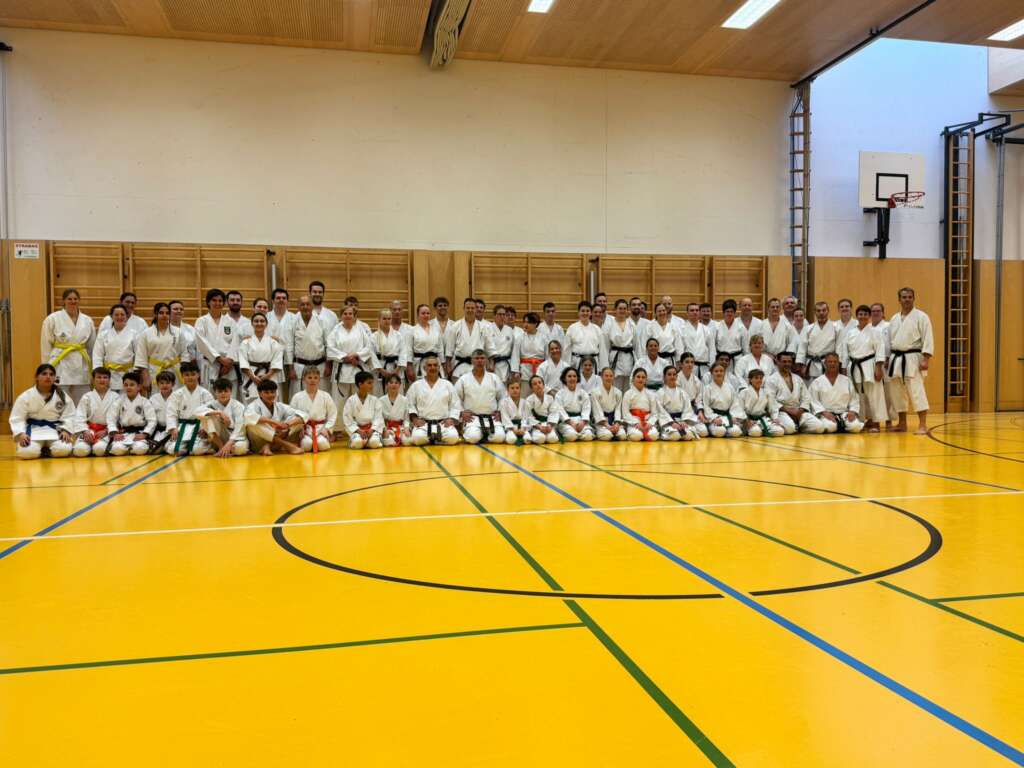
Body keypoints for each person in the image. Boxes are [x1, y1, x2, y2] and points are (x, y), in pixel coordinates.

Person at [887, 287, 934, 435]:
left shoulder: (921, 317)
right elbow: (889, 341)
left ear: (914, 298)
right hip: (896, 358)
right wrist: (888, 358)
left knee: (916, 390)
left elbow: (928, 338)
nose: (907, 299)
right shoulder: (894, 318)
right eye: (904, 297)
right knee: (897, 392)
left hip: (913, 358)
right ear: (899, 299)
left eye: (909, 297)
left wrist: (926, 359)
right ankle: (902, 423)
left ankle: (923, 424)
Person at [10, 364, 75, 459]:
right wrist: (21, 433)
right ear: (36, 377)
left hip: (55, 429)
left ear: (54, 378)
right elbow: (17, 417)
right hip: (34, 430)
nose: (48, 377)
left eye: (51, 374)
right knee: (26, 452)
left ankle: (47, 450)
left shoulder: (61, 396)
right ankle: (42, 450)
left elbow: (69, 415)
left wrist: (65, 430)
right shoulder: (26, 396)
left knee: (63, 450)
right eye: (44, 374)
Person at [41, 288, 95, 402]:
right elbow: (46, 345)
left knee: (82, 397)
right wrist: (46, 367)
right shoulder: (52, 319)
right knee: (59, 396)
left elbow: (91, 346)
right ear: (63, 301)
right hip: (60, 362)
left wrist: (93, 366)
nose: (73, 301)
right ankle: (60, 419)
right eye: (69, 299)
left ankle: (80, 419)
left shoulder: (87, 320)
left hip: (81, 362)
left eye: (75, 299)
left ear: (79, 300)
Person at [843, 304, 887, 433]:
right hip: (854, 366)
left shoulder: (875, 332)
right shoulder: (851, 332)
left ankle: (876, 422)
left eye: (865, 314)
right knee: (858, 396)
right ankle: (861, 420)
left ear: (869, 316)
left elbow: (880, 350)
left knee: (874, 395)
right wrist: (844, 367)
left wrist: (879, 368)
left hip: (869, 366)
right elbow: (845, 351)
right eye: (860, 314)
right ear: (857, 316)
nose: (862, 316)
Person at [327, 305, 376, 407]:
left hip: (357, 368)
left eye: (350, 314)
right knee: (339, 402)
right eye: (345, 313)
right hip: (341, 370)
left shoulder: (360, 329)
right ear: (341, 316)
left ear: (354, 316)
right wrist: (345, 357)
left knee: (358, 401)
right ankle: (339, 422)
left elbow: (369, 347)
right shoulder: (335, 330)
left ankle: (359, 422)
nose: (348, 316)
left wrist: (357, 355)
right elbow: (330, 348)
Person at [406, 356, 461, 445]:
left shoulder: (447, 384)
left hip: (443, 424)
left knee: (453, 438)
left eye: (435, 365)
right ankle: (436, 439)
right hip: (424, 424)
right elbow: (409, 404)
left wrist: (451, 419)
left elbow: (455, 404)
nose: (432, 368)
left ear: (439, 368)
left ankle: (433, 438)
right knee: (417, 438)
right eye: (429, 365)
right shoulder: (416, 385)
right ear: (424, 368)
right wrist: (415, 419)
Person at [195, 289, 242, 393]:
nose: (217, 303)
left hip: (228, 366)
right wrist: (219, 359)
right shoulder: (202, 321)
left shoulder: (230, 321)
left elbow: (235, 343)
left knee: (230, 395)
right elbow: (202, 343)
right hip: (210, 363)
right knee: (209, 396)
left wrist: (229, 362)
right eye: (214, 300)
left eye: (220, 301)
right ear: (208, 302)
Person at [455, 350, 506, 444]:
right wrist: (462, 412)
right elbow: (456, 399)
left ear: (486, 360)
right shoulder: (464, 379)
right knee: (472, 438)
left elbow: (502, 397)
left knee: (500, 437)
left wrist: (500, 411)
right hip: (473, 418)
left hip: (492, 418)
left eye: (482, 358)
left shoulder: (494, 378)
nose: (479, 361)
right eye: (477, 358)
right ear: (472, 361)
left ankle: (483, 435)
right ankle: (481, 434)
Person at [767, 352, 824, 435]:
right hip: (782, 411)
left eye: (789, 362)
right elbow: (771, 400)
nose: (787, 364)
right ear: (777, 362)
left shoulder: (797, 378)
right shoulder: (771, 380)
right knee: (790, 429)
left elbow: (806, 397)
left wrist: (800, 411)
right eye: (784, 361)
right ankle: (793, 426)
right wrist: (789, 411)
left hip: (798, 411)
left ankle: (797, 427)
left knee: (819, 427)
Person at [166, 361, 215, 455]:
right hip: (182, 428)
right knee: (174, 450)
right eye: (187, 375)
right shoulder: (177, 394)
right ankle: (185, 446)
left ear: (198, 375)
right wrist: (173, 428)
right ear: (182, 376)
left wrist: (205, 429)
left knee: (197, 450)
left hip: (200, 427)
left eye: (193, 374)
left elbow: (210, 413)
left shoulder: (205, 394)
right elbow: (171, 413)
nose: (190, 377)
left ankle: (204, 446)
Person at [136, 302, 189, 390]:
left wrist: (185, 374)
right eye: (161, 313)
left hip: (175, 370)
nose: (164, 315)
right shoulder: (146, 333)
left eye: (167, 313)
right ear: (155, 314)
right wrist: (145, 378)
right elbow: (141, 357)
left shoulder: (178, 332)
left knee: (176, 398)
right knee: (156, 398)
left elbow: (184, 355)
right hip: (154, 370)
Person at [244, 379, 305, 455]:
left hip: (277, 438)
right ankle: (287, 445)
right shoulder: (253, 406)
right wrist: (274, 422)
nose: (270, 395)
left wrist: (287, 425)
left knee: (298, 421)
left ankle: (268, 446)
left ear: (276, 393)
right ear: (259, 393)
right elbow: (248, 417)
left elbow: (304, 415)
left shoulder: (279, 406)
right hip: (259, 443)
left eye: (272, 392)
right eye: (266, 392)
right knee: (252, 423)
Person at [287, 294, 330, 400]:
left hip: (319, 364)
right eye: (302, 304)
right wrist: (291, 368)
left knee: (320, 396)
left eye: (308, 304)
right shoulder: (293, 322)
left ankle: (320, 417)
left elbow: (328, 345)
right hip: (300, 366)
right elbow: (289, 346)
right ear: (298, 307)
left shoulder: (322, 321)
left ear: (312, 306)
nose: (305, 307)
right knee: (299, 396)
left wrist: (329, 365)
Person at [810, 353, 864, 433]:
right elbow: (813, 400)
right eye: (830, 362)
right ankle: (841, 426)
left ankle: (841, 425)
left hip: (844, 414)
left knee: (856, 427)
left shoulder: (847, 381)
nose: (832, 364)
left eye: (835, 362)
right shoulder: (817, 382)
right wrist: (824, 412)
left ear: (838, 364)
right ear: (825, 364)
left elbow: (854, 399)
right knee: (830, 427)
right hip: (826, 414)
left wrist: (852, 411)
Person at [106, 371, 157, 456]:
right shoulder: (119, 401)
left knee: (140, 449)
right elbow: (111, 418)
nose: (128, 387)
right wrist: (114, 433)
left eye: (132, 385)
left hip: (139, 433)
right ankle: (128, 449)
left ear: (139, 387)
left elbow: (152, 420)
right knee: (117, 449)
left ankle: (131, 449)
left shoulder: (145, 402)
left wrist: (145, 434)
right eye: (126, 385)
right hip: (124, 433)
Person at [72, 367, 119, 457]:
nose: (102, 380)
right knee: (80, 451)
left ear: (109, 380)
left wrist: (106, 431)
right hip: (89, 431)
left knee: (99, 450)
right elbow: (80, 416)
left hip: (106, 432)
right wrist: (85, 431)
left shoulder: (115, 397)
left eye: (105, 377)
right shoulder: (87, 397)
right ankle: (88, 446)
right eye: (99, 377)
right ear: (93, 380)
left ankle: (95, 448)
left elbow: (118, 419)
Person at [238, 312, 284, 402]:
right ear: (252, 324)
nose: (259, 323)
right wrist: (253, 377)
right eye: (256, 321)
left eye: (262, 321)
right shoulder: (245, 343)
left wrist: (267, 376)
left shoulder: (273, 343)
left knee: (270, 401)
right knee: (251, 403)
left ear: (266, 324)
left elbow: (277, 361)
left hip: (270, 376)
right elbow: (243, 362)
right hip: (251, 376)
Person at [197, 377, 249, 457]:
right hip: (217, 438)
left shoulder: (238, 406)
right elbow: (197, 411)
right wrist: (219, 412)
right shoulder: (212, 404)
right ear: (215, 392)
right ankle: (221, 447)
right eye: (220, 391)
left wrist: (229, 443)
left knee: (239, 449)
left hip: (234, 438)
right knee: (207, 415)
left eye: (226, 391)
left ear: (231, 392)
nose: (223, 394)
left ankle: (223, 449)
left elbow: (239, 427)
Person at [92, 304, 138, 391]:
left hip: (128, 374)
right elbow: (97, 355)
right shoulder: (103, 335)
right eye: (116, 315)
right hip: (108, 375)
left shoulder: (134, 335)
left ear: (127, 317)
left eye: (122, 315)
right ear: (111, 317)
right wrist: (98, 375)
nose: (119, 317)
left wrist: (136, 375)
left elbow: (138, 357)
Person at [291, 366, 337, 453]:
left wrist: (326, 429)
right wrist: (299, 429)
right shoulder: (297, 397)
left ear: (319, 380)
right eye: (309, 377)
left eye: (315, 378)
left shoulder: (325, 396)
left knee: (323, 445)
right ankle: (306, 441)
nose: (312, 380)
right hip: (305, 428)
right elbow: (292, 415)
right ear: (304, 379)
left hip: (320, 428)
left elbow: (333, 414)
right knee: (306, 445)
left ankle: (324, 439)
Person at [445, 298, 490, 380]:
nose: (470, 310)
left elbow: (489, 348)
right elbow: (449, 350)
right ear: (464, 308)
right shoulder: (455, 326)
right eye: (468, 308)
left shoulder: (483, 327)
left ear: (475, 309)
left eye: (472, 308)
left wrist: (491, 364)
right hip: (459, 367)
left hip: (478, 366)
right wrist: (448, 366)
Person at [870, 302, 896, 428]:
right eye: (873, 311)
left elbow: (893, 344)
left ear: (883, 313)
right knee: (875, 393)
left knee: (888, 393)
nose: (875, 313)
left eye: (878, 311)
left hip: (887, 363)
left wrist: (889, 359)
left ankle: (889, 420)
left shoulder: (888, 326)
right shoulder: (868, 328)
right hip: (872, 364)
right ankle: (873, 419)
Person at [342, 371, 384, 449]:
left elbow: (378, 417)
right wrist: (358, 430)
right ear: (360, 384)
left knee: (374, 443)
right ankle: (359, 441)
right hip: (357, 431)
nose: (372, 385)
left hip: (372, 430)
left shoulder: (375, 400)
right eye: (369, 383)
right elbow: (347, 419)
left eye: (372, 383)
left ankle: (370, 441)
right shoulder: (351, 400)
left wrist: (372, 429)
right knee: (357, 443)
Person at [656, 366, 700, 441]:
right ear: (664, 377)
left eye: (674, 374)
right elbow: (660, 411)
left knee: (688, 435)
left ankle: (681, 429)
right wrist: (671, 422)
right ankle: (666, 432)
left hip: (681, 420)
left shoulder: (682, 392)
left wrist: (683, 421)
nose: (672, 376)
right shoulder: (660, 393)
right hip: (668, 422)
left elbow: (687, 409)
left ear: (677, 376)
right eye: (669, 374)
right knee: (675, 435)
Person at [371, 308, 407, 395]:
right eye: (384, 318)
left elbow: (403, 352)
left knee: (397, 395)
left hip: (396, 368)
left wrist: (397, 369)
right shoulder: (374, 336)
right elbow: (371, 354)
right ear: (379, 320)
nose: (387, 321)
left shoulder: (398, 335)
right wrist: (381, 370)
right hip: (380, 369)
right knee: (380, 395)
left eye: (389, 318)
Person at [703, 362, 744, 438]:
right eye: (716, 371)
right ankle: (718, 429)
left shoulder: (730, 387)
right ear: (712, 373)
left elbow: (735, 404)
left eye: (721, 371)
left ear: (724, 373)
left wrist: (733, 416)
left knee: (736, 432)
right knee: (719, 431)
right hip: (715, 418)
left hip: (727, 416)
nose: (719, 373)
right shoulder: (707, 388)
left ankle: (726, 430)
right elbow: (706, 406)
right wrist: (714, 418)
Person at [564, 301, 607, 370]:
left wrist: (604, 369)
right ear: (578, 312)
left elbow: (602, 351)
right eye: (583, 311)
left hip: (593, 362)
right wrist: (566, 368)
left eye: (587, 311)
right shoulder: (572, 328)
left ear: (591, 313)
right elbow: (566, 350)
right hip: (577, 363)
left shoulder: (597, 329)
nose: (585, 313)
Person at [741, 369, 785, 437]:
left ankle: (762, 429)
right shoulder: (744, 392)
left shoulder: (766, 392)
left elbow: (773, 407)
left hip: (762, 419)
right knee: (756, 432)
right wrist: (746, 421)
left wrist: (775, 418)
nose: (759, 380)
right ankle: (757, 429)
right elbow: (739, 409)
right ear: (750, 379)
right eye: (756, 378)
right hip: (749, 420)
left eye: (761, 378)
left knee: (780, 431)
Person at [605, 299, 637, 392]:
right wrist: (606, 365)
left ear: (627, 310)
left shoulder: (631, 324)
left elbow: (635, 344)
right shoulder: (609, 325)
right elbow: (606, 346)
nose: (622, 311)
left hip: (629, 358)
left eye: (624, 308)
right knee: (615, 388)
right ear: (615, 310)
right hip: (615, 359)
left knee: (629, 387)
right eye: (620, 308)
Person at [554, 368, 594, 442]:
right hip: (566, 421)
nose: (572, 378)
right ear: (564, 378)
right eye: (569, 376)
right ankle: (572, 434)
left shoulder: (583, 393)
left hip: (580, 420)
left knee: (588, 436)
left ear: (577, 378)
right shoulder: (559, 394)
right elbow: (560, 410)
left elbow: (586, 408)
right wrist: (570, 423)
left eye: (574, 376)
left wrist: (583, 422)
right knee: (571, 436)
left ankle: (580, 434)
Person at [800, 301, 837, 380]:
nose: (821, 313)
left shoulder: (836, 327)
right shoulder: (808, 329)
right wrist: (802, 364)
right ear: (815, 312)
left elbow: (839, 348)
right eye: (818, 310)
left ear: (828, 311)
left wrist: (839, 365)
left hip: (829, 364)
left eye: (824, 310)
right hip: (811, 364)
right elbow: (802, 348)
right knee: (811, 389)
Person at [621, 369, 660, 442]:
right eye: (638, 377)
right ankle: (635, 433)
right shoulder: (628, 394)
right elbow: (625, 413)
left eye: (643, 377)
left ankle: (644, 432)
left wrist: (650, 423)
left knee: (653, 436)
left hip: (647, 421)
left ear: (646, 380)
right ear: (633, 379)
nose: (640, 379)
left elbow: (655, 413)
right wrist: (636, 423)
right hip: (634, 422)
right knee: (636, 436)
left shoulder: (651, 394)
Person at [638, 302, 681, 369]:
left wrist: (679, 361)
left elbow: (678, 345)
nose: (662, 313)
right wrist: (643, 360)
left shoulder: (673, 327)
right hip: (654, 359)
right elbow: (644, 345)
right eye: (659, 311)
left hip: (670, 359)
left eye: (663, 310)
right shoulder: (649, 327)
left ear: (666, 312)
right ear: (655, 313)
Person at [408, 303, 445, 381]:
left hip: (435, 363)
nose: (426, 315)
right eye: (423, 313)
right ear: (418, 315)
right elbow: (409, 350)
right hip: (419, 363)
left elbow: (440, 349)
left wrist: (443, 364)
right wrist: (409, 368)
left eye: (428, 313)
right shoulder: (412, 330)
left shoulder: (436, 329)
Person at [680, 303, 716, 381]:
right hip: (688, 366)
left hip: (704, 367)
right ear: (687, 313)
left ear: (699, 312)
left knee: (704, 390)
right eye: (692, 310)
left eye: (697, 310)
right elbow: (680, 349)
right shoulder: (682, 329)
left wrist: (712, 366)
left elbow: (712, 349)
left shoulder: (706, 329)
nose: (695, 312)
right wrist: (681, 365)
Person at [677, 354, 709, 438]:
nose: (690, 364)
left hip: (692, 410)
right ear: (681, 364)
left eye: (692, 362)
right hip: (679, 411)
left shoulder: (696, 380)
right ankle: (687, 429)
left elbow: (698, 399)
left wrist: (700, 411)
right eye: (687, 362)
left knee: (704, 432)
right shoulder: (676, 378)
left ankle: (690, 429)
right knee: (687, 434)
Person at [523, 375, 561, 445]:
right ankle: (531, 434)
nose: (538, 385)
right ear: (532, 388)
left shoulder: (550, 398)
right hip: (536, 425)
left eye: (539, 383)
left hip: (548, 424)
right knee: (540, 439)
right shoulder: (529, 400)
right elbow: (529, 416)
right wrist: (539, 427)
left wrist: (549, 425)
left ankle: (550, 432)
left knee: (552, 439)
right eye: (535, 384)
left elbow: (553, 413)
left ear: (543, 385)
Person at [591, 367, 625, 441]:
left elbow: (618, 410)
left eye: (611, 376)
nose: (608, 378)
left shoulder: (618, 392)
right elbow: (597, 411)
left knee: (622, 436)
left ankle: (614, 430)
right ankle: (606, 431)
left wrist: (616, 424)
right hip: (601, 422)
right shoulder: (595, 392)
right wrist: (607, 426)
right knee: (607, 436)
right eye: (606, 376)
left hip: (613, 420)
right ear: (601, 377)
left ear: (614, 377)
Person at [379, 373, 412, 448]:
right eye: (391, 382)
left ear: (399, 385)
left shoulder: (404, 400)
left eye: (396, 383)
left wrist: (406, 428)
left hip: (401, 427)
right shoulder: (381, 400)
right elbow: (379, 418)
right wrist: (384, 430)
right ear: (386, 385)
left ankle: (401, 437)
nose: (393, 385)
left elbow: (406, 418)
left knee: (407, 441)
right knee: (389, 442)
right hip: (387, 428)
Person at [149, 370, 177, 452]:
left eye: (167, 383)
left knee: (172, 449)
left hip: (174, 430)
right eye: (162, 383)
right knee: (155, 450)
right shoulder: (153, 399)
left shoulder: (178, 397)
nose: (164, 385)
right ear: (157, 384)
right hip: (159, 430)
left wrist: (175, 429)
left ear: (173, 384)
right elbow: (150, 418)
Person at [714, 299, 747, 372]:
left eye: (731, 311)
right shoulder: (717, 326)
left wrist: (746, 362)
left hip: (737, 359)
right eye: (727, 311)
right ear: (723, 313)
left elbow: (745, 347)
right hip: (721, 359)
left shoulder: (741, 327)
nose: (729, 314)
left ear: (735, 313)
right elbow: (714, 346)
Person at [489, 305, 518, 383]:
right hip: (492, 365)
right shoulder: (488, 329)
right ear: (494, 316)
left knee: (505, 391)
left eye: (504, 314)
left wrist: (514, 369)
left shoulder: (509, 330)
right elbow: (485, 348)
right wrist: (489, 362)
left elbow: (514, 351)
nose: (502, 317)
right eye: (499, 314)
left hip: (506, 365)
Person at [499, 378, 531, 445]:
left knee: (528, 440)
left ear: (520, 389)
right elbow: (505, 418)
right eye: (512, 388)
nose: (515, 390)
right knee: (511, 440)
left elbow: (526, 417)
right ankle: (509, 435)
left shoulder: (525, 402)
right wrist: (514, 430)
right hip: (510, 428)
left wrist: (522, 429)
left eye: (517, 388)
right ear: (508, 390)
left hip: (523, 428)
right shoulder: (503, 402)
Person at [517, 312, 548, 379]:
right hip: (524, 370)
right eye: (524, 322)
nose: (525, 324)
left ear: (535, 323)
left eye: (528, 322)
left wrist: (547, 369)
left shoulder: (544, 338)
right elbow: (515, 356)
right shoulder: (520, 338)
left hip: (540, 368)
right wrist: (516, 371)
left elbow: (547, 356)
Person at [169, 299, 198, 364]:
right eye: (175, 309)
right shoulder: (164, 329)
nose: (179, 311)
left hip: (189, 365)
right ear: (168, 312)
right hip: (170, 364)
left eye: (181, 309)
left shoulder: (190, 329)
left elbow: (197, 348)